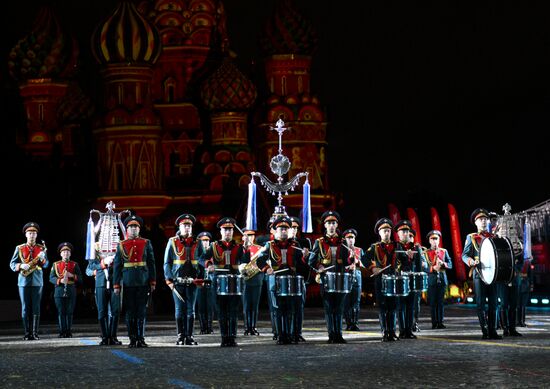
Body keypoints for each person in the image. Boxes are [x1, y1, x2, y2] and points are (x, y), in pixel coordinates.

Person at [256, 216, 309, 344]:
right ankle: (281, 335)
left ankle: (292, 334)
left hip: (292, 281)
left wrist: (304, 258)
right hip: (276, 281)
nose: (284, 231)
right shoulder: (269, 245)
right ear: (275, 231)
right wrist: (267, 268)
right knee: (279, 310)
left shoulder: (295, 245)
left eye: (286, 229)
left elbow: (301, 266)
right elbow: (259, 260)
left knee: (292, 309)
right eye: (281, 229)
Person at [199, 217, 245, 347]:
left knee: (233, 311)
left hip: (234, 283)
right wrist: (208, 264)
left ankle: (232, 337)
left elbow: (246, 261)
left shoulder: (238, 247)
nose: (228, 232)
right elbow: (201, 258)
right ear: (221, 231)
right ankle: (224, 337)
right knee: (221, 311)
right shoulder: (214, 246)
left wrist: (247, 249)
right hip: (219, 283)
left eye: (230, 230)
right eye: (225, 230)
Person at [308, 210, 353, 344]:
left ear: (337, 225)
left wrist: (351, 261)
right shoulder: (319, 242)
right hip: (325, 279)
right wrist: (319, 266)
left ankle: (338, 334)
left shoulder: (343, 242)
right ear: (325, 225)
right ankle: (331, 334)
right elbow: (311, 260)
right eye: (329, 223)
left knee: (339, 308)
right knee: (329, 308)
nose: (332, 225)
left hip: (339, 279)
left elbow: (346, 262)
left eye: (334, 223)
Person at [113, 215, 157, 348]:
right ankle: (132, 338)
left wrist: (153, 281)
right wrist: (116, 284)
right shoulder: (122, 245)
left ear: (139, 229)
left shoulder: (146, 242)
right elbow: (117, 266)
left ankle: (141, 338)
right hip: (128, 282)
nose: (133, 229)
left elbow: (151, 263)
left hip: (143, 281)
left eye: (136, 227)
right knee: (130, 311)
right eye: (131, 227)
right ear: (127, 229)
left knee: (142, 311)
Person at [462, 208, 502, 340]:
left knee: (493, 303)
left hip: (493, 274)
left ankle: (493, 330)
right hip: (479, 274)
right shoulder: (471, 237)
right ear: (476, 222)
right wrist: (470, 261)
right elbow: (464, 255)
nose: (483, 221)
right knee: (480, 303)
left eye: (485, 219)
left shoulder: (494, 237)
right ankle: (484, 330)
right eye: (480, 219)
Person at [164, 213, 201, 346]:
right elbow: (167, 262)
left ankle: (189, 336)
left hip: (192, 281)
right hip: (177, 281)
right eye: (185, 225)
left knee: (191, 310)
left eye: (189, 225)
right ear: (180, 226)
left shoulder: (198, 242)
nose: (187, 228)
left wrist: (202, 278)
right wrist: (169, 279)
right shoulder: (172, 241)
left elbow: (201, 261)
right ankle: (180, 336)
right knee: (179, 310)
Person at [10, 222, 49, 340]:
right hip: (23, 281)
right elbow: (12, 264)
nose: (32, 235)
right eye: (30, 233)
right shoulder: (20, 248)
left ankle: (35, 333)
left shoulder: (41, 248)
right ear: (26, 234)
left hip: (37, 281)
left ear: (36, 235)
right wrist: (21, 266)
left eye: (34, 233)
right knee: (25, 307)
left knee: (36, 307)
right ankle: (27, 333)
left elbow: (46, 264)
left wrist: (43, 260)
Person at [366, 218, 399, 342]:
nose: (386, 233)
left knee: (393, 306)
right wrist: (373, 268)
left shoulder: (397, 246)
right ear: (379, 233)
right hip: (380, 280)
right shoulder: (374, 247)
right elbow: (365, 259)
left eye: (388, 231)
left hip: (393, 279)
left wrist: (409, 257)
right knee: (383, 306)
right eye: (384, 231)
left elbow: (403, 260)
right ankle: (385, 331)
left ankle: (392, 331)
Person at [394, 220, 427, 339]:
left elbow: (418, 267)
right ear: (398, 233)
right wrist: (404, 256)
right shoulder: (396, 247)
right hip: (400, 280)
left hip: (412, 280)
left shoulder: (416, 247)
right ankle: (402, 330)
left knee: (410, 306)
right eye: (402, 231)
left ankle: (409, 330)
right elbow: (394, 263)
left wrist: (412, 259)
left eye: (407, 231)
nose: (405, 233)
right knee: (401, 306)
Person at [86, 242, 122, 345]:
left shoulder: (117, 244)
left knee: (115, 311)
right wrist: (103, 263)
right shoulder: (95, 246)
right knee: (102, 311)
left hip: (114, 282)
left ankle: (113, 336)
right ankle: (105, 337)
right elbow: (92, 265)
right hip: (101, 283)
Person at [49, 242, 82, 338]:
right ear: (60, 254)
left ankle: (68, 331)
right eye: (64, 252)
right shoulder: (55, 264)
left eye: (67, 252)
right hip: (59, 291)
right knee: (61, 311)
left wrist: (72, 275)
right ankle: (62, 331)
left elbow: (80, 279)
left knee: (70, 311)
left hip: (71, 290)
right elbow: (51, 278)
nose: (66, 253)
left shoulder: (75, 264)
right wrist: (60, 280)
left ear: (70, 254)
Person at [288, 216, 311, 342]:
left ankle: (297, 332)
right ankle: (287, 332)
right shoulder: (284, 243)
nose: (293, 230)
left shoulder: (304, 242)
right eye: (291, 227)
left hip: (300, 278)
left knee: (299, 307)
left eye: (295, 227)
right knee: (287, 308)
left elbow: (307, 264)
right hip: (286, 279)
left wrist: (305, 257)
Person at [424, 230, 452, 329]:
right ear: (429, 241)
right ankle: (434, 322)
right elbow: (424, 267)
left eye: (436, 239)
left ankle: (440, 322)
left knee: (440, 302)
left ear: (439, 240)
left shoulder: (444, 251)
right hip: (431, 280)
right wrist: (432, 268)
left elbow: (450, 264)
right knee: (432, 302)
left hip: (442, 279)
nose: (435, 241)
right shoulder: (426, 253)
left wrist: (444, 264)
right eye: (433, 239)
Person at [239, 229, 264, 336]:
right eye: (247, 235)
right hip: (244, 280)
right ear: (243, 237)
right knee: (246, 305)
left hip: (256, 279)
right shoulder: (239, 249)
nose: (249, 237)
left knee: (254, 304)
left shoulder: (259, 249)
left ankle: (253, 327)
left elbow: (264, 263)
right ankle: (247, 327)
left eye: (251, 235)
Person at [342, 228, 365, 331]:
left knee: (356, 300)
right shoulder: (342, 249)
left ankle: (355, 322)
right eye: (348, 238)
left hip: (357, 274)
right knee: (346, 300)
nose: (350, 240)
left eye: (352, 238)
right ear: (345, 239)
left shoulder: (359, 250)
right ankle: (348, 323)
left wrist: (359, 262)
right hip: (346, 275)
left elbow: (365, 264)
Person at [195, 231, 215, 334]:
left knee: (210, 305)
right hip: (199, 282)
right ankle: (203, 327)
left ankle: (210, 327)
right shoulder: (197, 253)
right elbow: (198, 260)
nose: (205, 243)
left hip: (211, 281)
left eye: (207, 240)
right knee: (201, 305)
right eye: (203, 241)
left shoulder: (213, 251)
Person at [409, 229, 424, 332]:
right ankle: (407, 324)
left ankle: (415, 323)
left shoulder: (418, 249)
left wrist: (424, 264)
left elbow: (425, 264)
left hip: (416, 280)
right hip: (405, 280)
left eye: (411, 236)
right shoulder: (400, 248)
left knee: (416, 303)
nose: (409, 238)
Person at [517, 258, 533, 327]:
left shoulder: (527, 263)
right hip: (517, 286)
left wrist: (531, 285)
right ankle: (517, 321)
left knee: (523, 305)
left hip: (525, 285)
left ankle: (521, 321)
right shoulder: (515, 262)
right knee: (517, 305)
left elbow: (531, 275)